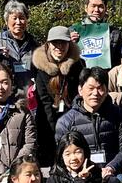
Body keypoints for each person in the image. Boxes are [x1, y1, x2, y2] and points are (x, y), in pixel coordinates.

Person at [55, 67, 122, 178]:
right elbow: (62, 155)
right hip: (81, 177)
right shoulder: (66, 121)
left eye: (100, 88)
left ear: (107, 90)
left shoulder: (118, 114)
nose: (95, 93)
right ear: (80, 90)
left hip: (114, 175)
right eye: (90, 88)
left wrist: (111, 167)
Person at [33, 25, 85, 165]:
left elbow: (78, 96)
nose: (59, 47)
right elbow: (44, 101)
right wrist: (55, 128)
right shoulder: (40, 67)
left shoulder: (78, 65)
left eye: (63, 43)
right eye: (55, 43)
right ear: (48, 44)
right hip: (47, 122)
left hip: (72, 118)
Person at [0, 0, 39, 92]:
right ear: (6, 21)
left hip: (28, 95)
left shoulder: (34, 44)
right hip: (4, 94)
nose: (18, 22)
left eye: (21, 18)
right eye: (14, 18)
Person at [69, 0, 122, 69]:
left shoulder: (114, 33)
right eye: (93, 6)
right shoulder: (72, 30)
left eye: (100, 6)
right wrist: (68, 44)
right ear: (86, 8)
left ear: (105, 9)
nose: (96, 10)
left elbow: (120, 60)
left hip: (106, 76)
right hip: (80, 77)